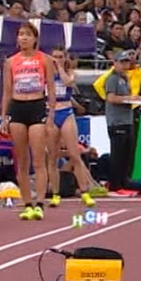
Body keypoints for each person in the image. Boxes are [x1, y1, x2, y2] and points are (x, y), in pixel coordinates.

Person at [2, 23, 59, 219]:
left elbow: (51, 88)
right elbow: (7, 91)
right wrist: (4, 116)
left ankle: (40, 203)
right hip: (17, 108)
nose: (24, 38)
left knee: (38, 159)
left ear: (35, 39)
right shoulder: (10, 62)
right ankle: (27, 203)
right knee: (22, 161)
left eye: (27, 34)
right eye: (20, 34)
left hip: (37, 107)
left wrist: (51, 114)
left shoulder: (44, 59)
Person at [44, 48, 103, 207]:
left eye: (60, 57)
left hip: (66, 112)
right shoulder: (45, 74)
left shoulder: (70, 72)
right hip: (51, 113)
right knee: (52, 157)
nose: (56, 59)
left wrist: (60, 67)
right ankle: (55, 193)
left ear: (65, 58)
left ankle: (84, 191)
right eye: (54, 57)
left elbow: (67, 82)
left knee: (74, 154)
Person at [98, 51, 140, 194]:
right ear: (115, 63)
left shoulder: (125, 78)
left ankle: (124, 180)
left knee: (127, 153)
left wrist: (135, 99)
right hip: (117, 121)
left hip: (127, 119)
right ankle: (115, 183)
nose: (124, 65)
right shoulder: (112, 79)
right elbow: (110, 98)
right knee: (118, 154)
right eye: (122, 62)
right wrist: (128, 99)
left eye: (126, 62)